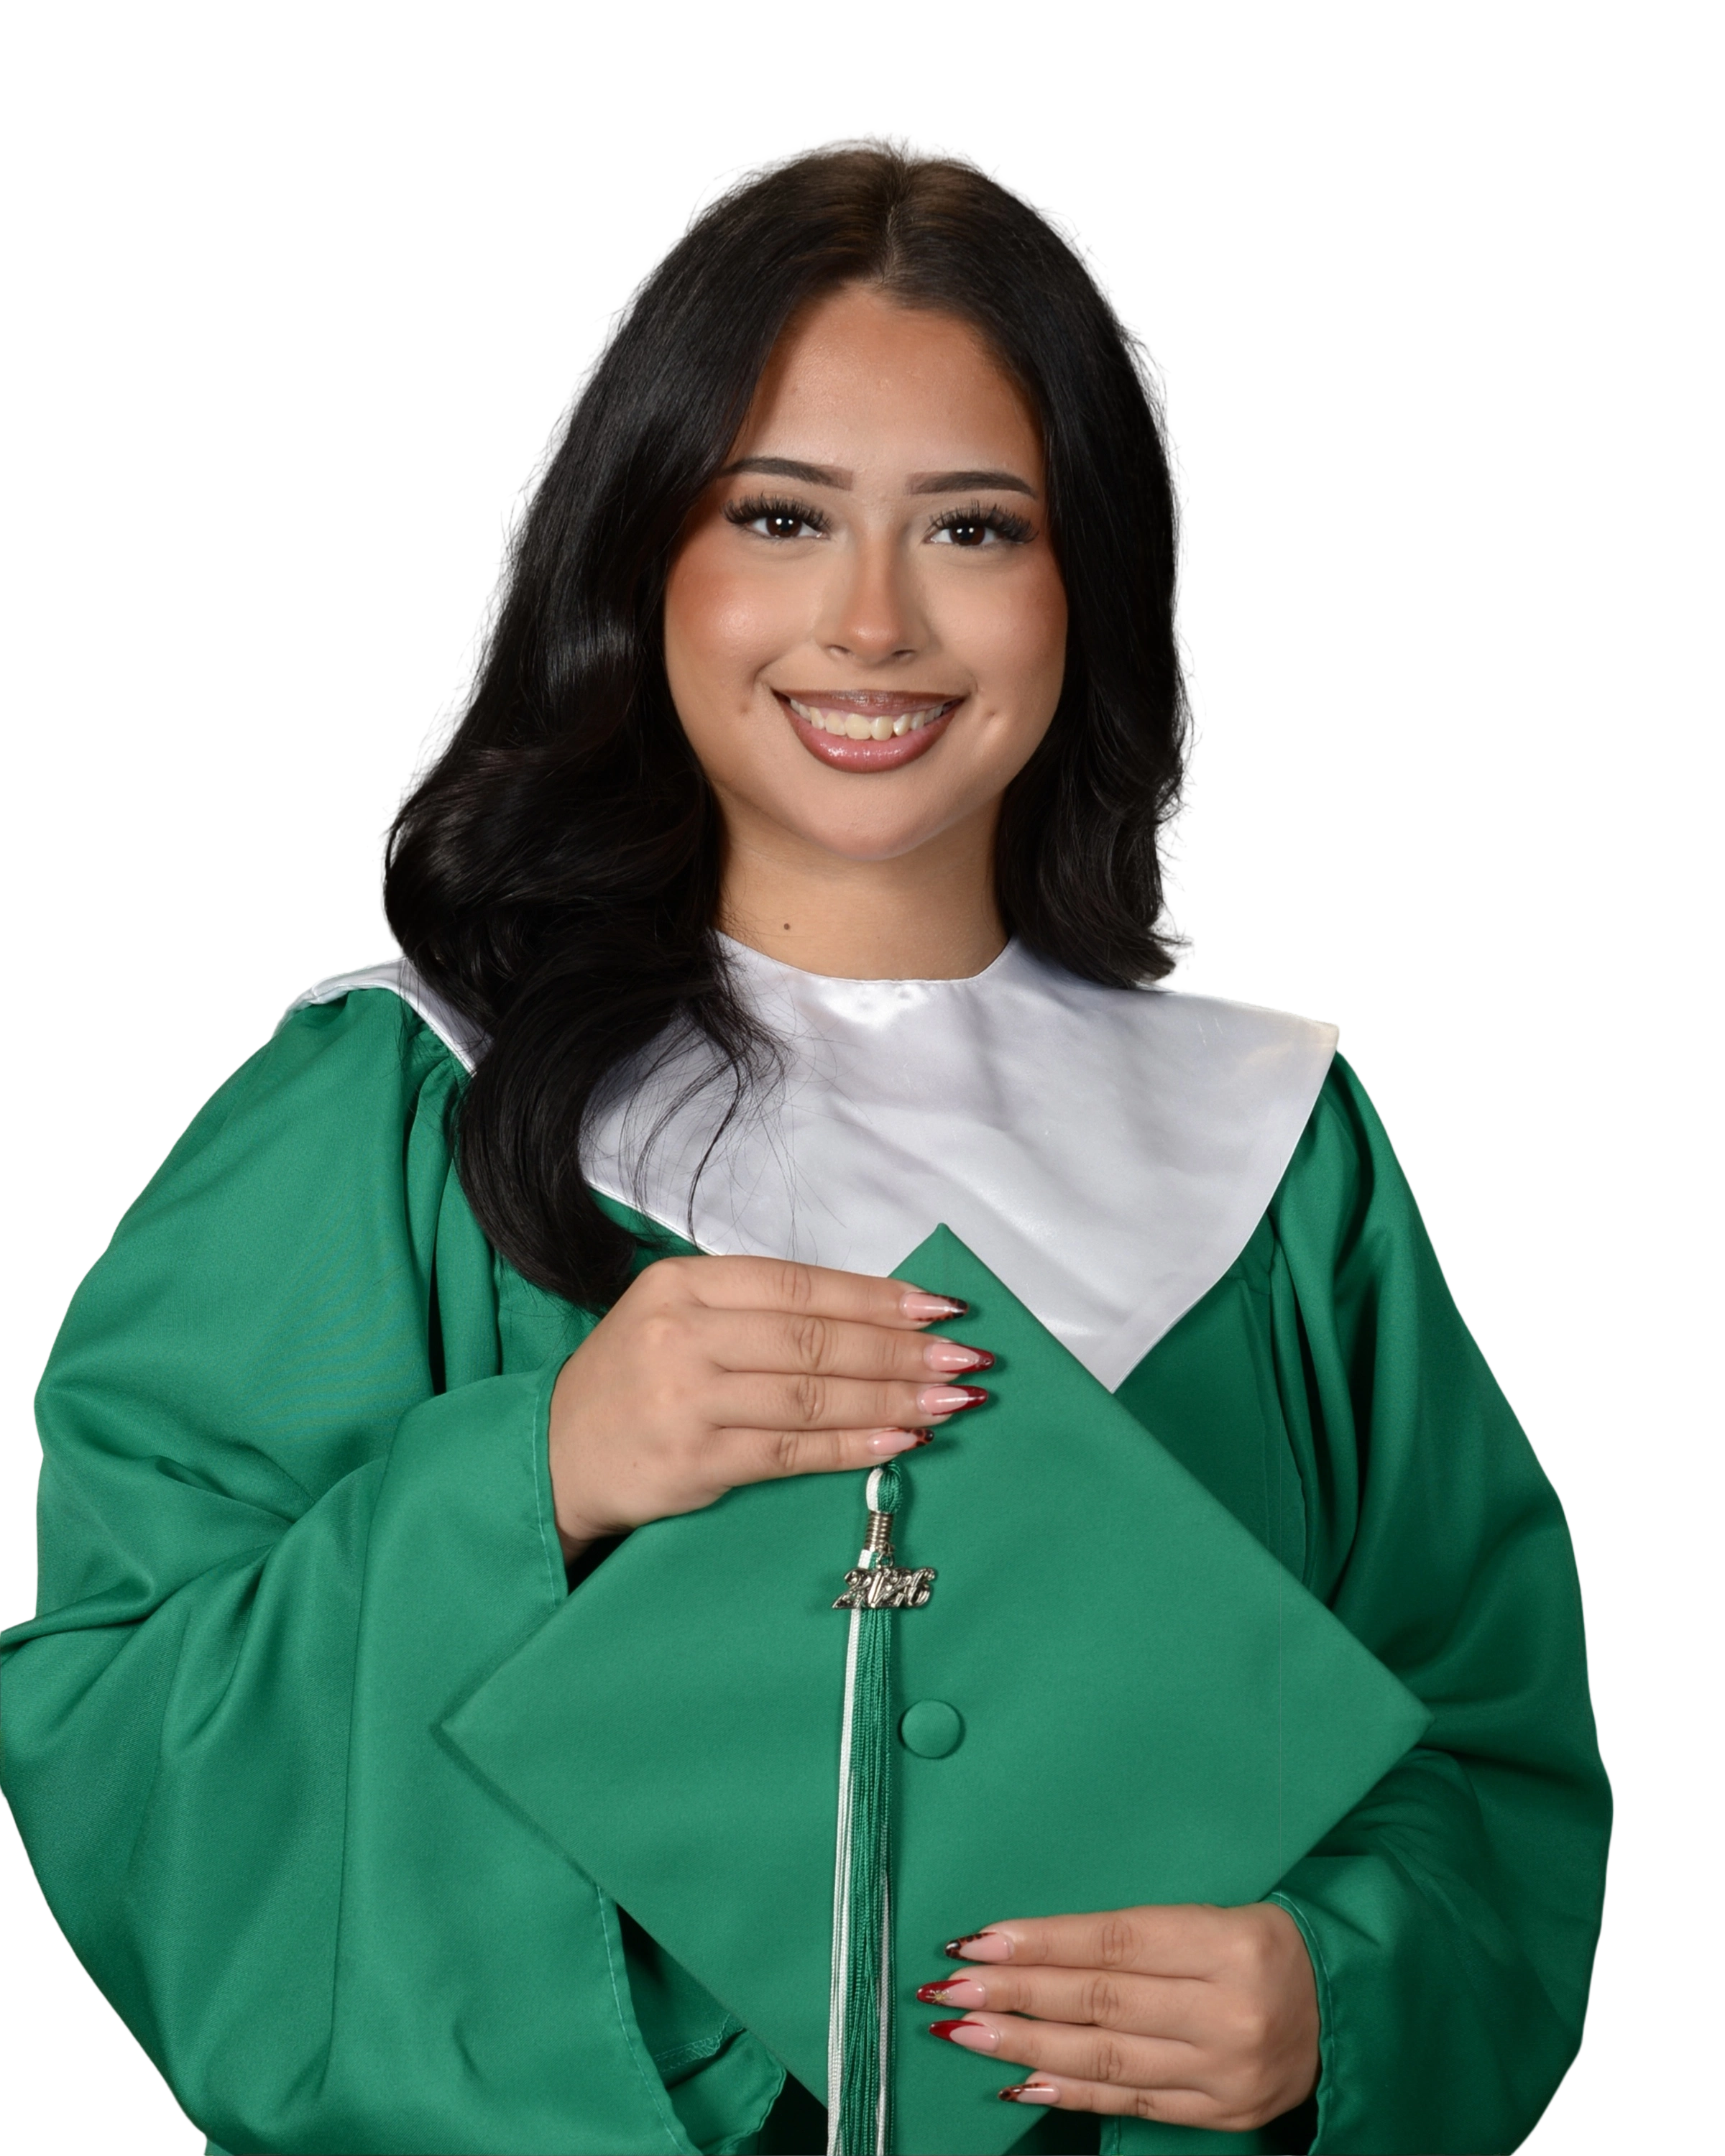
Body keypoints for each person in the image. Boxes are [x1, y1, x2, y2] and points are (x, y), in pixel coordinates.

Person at [4, 130, 1610, 2156]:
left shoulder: (1273, 1154)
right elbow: (123, 1721)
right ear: (642, 558)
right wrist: (533, 1476)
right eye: (779, 514)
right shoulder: (394, 1101)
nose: (872, 623)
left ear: (1088, 582)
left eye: (975, 529)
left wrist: (1334, 1992)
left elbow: (1492, 1756)